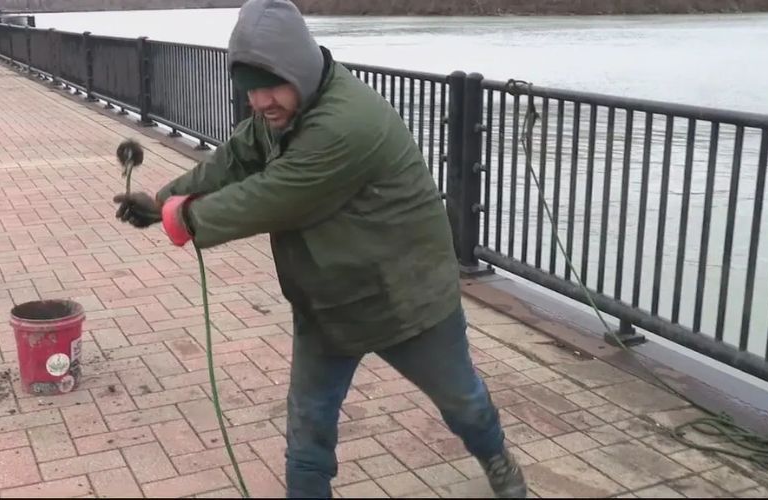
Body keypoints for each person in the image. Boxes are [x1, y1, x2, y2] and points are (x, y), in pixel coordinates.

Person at [113, 0, 526, 497]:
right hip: (328, 302)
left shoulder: (347, 123)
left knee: (464, 403)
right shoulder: (280, 112)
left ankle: (497, 459)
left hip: (406, 298)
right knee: (308, 433)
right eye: (250, 90)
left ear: (300, 68)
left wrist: (183, 218)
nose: (261, 101)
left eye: (271, 85)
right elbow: (234, 161)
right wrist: (162, 201)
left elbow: (274, 196)